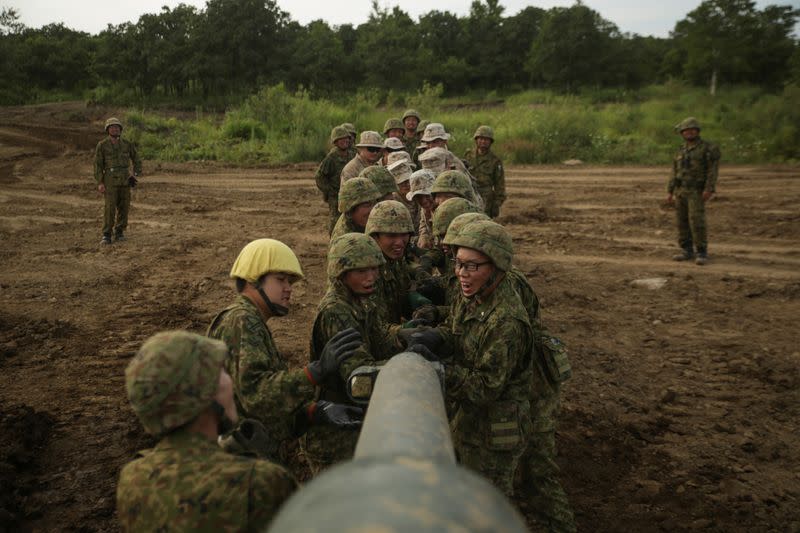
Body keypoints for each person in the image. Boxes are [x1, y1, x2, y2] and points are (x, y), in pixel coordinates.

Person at [404, 220, 576, 532]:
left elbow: (485, 387)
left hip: (495, 430)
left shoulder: (507, 321)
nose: (461, 274)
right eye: (458, 263)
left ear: (495, 267)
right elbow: (461, 333)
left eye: (472, 266)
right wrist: (437, 336)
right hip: (470, 420)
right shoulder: (476, 294)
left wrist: (439, 368)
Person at [118, 330, 298, 531]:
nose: (229, 380)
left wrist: (224, 452)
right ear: (204, 393)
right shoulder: (261, 482)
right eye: (220, 372)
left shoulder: (132, 478)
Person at [207, 239, 364, 463]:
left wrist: (312, 413)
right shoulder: (242, 321)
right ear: (253, 281)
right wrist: (314, 373)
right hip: (242, 468)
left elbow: (254, 403)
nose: (289, 288)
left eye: (290, 281)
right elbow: (256, 396)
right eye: (280, 280)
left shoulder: (249, 320)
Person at [304, 233, 405, 472]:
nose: (372, 278)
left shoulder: (358, 299)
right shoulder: (337, 311)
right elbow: (359, 378)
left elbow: (381, 338)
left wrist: (406, 337)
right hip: (336, 434)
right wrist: (409, 368)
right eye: (362, 271)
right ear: (342, 273)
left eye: (374, 269)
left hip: (354, 424)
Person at [365, 200, 431, 325]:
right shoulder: (367, 272)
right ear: (374, 236)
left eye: (404, 235)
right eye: (391, 236)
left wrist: (410, 295)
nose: (400, 242)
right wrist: (401, 331)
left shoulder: (393, 259)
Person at [666, 117, 720, 265]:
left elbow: (712, 171)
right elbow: (674, 171)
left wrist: (709, 189)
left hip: (696, 191)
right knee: (682, 222)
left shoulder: (707, 149)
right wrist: (670, 191)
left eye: (692, 130)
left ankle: (701, 251)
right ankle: (687, 250)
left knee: (697, 221)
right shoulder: (680, 150)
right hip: (680, 190)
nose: (689, 132)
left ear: (697, 131)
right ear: (682, 133)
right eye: (686, 130)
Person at [94, 117, 142, 245]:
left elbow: (136, 159)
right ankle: (107, 234)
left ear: (120, 129)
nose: (115, 129)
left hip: (125, 179)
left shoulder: (127, 144)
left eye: (117, 127)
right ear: (107, 130)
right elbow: (98, 165)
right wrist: (100, 182)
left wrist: (135, 173)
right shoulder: (102, 145)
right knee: (109, 208)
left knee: (124, 206)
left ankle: (119, 231)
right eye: (112, 127)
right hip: (110, 179)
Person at [315, 125, 355, 234]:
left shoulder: (352, 154)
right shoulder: (331, 157)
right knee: (336, 221)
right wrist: (329, 191)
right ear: (335, 142)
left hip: (351, 193)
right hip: (336, 196)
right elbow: (319, 176)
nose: (345, 141)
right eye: (341, 139)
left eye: (346, 138)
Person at [465, 125, 505, 218]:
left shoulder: (495, 160)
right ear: (476, 140)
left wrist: (497, 203)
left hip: (486, 197)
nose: (483, 141)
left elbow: (500, 184)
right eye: (481, 138)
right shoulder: (468, 155)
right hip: (470, 193)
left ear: (490, 142)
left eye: (486, 139)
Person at [330, 177, 383, 242]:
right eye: (366, 205)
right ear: (350, 210)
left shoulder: (357, 222)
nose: (373, 209)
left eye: (375, 202)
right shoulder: (348, 241)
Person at [406, 169, 436, 249]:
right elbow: (423, 224)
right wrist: (424, 235)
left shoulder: (445, 208)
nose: (424, 201)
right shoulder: (425, 209)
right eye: (418, 197)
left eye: (427, 195)